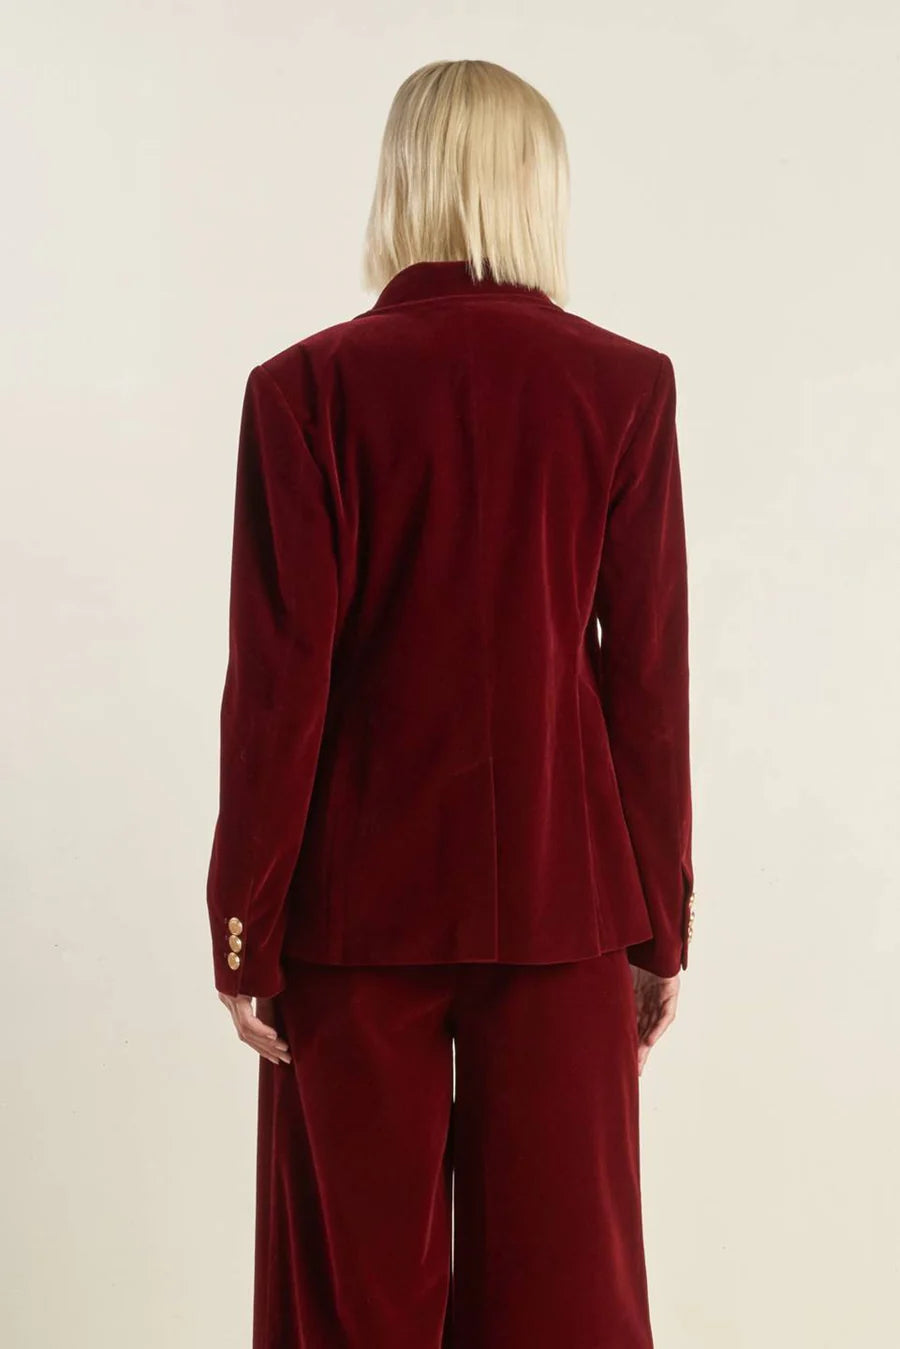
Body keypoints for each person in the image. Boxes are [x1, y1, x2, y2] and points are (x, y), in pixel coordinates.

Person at [206, 57, 695, 1349]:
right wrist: (661, 925)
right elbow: (646, 679)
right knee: (568, 1292)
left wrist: (247, 927)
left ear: (403, 181)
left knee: (354, 1297)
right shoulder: (622, 385)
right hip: (564, 895)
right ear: (538, 186)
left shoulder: (305, 390)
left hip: (352, 907)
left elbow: (277, 686)